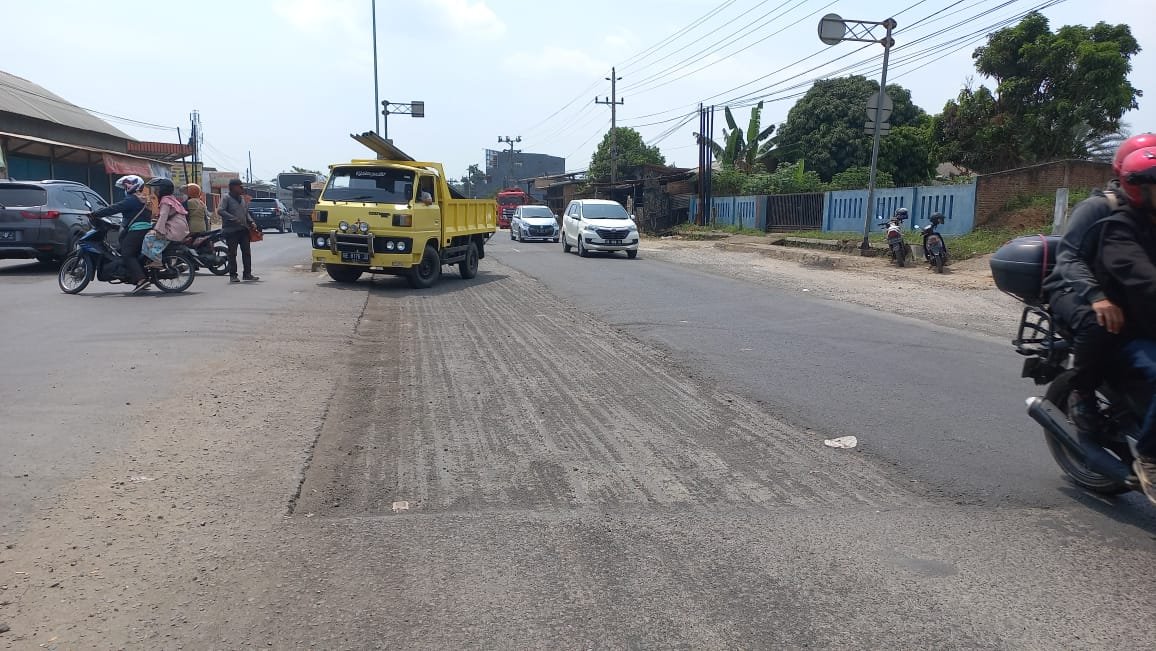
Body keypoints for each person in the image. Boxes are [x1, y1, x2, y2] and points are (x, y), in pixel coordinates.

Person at [1042, 132, 1156, 432]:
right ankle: (1083, 393)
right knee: (1099, 321)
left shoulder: (1146, 213)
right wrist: (1096, 295)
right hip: (1071, 287)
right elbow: (1068, 258)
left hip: (1118, 290)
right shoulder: (1098, 207)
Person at [1093, 146, 1156, 503]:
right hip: (1130, 334)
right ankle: (1149, 457)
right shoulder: (1120, 228)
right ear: (1141, 189)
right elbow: (1141, 275)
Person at [90, 174, 153, 294]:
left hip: (136, 230)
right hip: (143, 229)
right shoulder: (143, 198)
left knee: (127, 254)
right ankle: (136, 275)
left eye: (127, 185)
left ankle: (141, 279)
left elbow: (114, 208)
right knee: (127, 251)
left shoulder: (132, 199)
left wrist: (96, 214)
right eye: (124, 186)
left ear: (135, 185)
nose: (125, 188)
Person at [216, 179, 259, 283]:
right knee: (232, 254)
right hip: (231, 230)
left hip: (243, 229)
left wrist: (251, 221)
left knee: (246, 253)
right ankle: (233, 275)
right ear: (233, 187)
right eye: (240, 186)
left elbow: (245, 213)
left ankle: (247, 274)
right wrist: (232, 218)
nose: (242, 188)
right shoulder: (226, 198)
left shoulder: (242, 199)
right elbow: (220, 210)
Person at [141, 178, 189, 269]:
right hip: (180, 227)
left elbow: (163, 216)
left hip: (174, 229)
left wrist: (158, 230)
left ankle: (157, 260)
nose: (155, 191)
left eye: (157, 189)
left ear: (163, 189)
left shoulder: (165, 201)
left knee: (148, 238)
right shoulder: (171, 199)